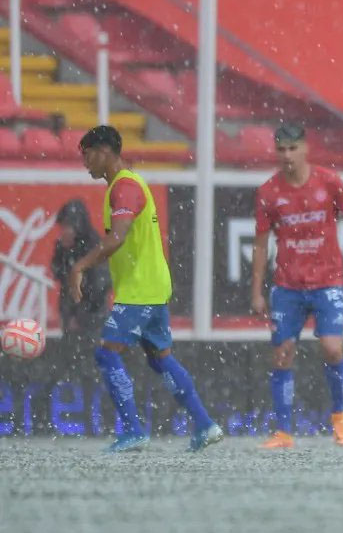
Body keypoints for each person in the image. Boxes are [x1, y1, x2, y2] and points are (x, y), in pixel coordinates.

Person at [68, 125, 222, 453]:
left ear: (104, 151)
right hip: (152, 287)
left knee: (106, 353)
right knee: (159, 358)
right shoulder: (126, 184)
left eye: (87, 155)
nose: (85, 163)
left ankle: (134, 430)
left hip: (139, 291)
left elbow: (118, 237)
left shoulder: (124, 187)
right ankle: (205, 424)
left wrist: (80, 266)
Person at [251, 124, 343, 449]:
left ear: (305, 148)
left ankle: (340, 419)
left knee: (333, 348)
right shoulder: (267, 193)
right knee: (281, 354)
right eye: (281, 150)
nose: (287, 156)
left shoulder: (329, 183)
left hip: (327, 282)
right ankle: (283, 432)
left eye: (293, 149)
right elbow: (261, 245)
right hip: (287, 285)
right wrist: (256, 290)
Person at [51, 200, 111, 354]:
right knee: (70, 357)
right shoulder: (64, 246)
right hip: (71, 315)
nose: (63, 232)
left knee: (89, 359)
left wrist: (80, 316)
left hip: (90, 319)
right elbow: (57, 272)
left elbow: (99, 285)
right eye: (62, 227)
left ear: (77, 227)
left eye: (67, 227)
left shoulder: (93, 246)